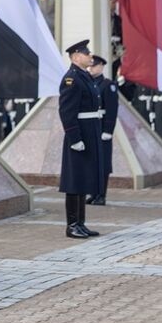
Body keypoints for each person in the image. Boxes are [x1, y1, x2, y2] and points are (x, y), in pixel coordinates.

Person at [58, 40, 104, 239]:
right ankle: (72, 224)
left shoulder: (85, 76)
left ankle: (81, 223)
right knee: (74, 180)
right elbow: (67, 112)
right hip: (79, 135)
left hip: (89, 132)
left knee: (84, 178)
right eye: (86, 54)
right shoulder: (71, 79)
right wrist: (74, 137)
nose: (90, 56)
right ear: (76, 56)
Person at [87, 55, 118, 206]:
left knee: (103, 163)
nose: (91, 68)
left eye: (94, 66)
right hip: (92, 126)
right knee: (92, 162)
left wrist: (108, 130)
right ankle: (93, 193)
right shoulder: (89, 83)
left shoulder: (108, 85)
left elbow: (112, 109)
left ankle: (101, 195)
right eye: (90, 66)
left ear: (101, 67)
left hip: (102, 126)